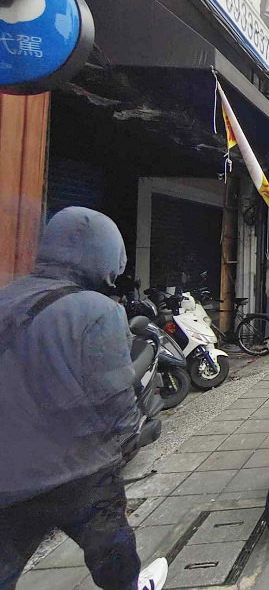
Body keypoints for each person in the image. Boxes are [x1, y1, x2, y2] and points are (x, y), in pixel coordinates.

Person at [0, 207, 168, 590]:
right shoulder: (97, 310)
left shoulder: (7, 298)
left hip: (8, 474)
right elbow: (114, 397)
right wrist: (131, 438)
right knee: (114, 557)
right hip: (79, 470)